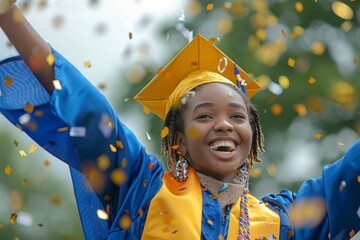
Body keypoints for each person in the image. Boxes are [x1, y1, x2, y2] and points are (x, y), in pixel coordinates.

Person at [1, 1, 359, 239]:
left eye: (238, 116)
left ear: (253, 133)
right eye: (204, 115)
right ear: (178, 140)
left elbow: (351, 176)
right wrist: (9, 15)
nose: (224, 124)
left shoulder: (284, 221)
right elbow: (91, 114)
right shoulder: (143, 189)